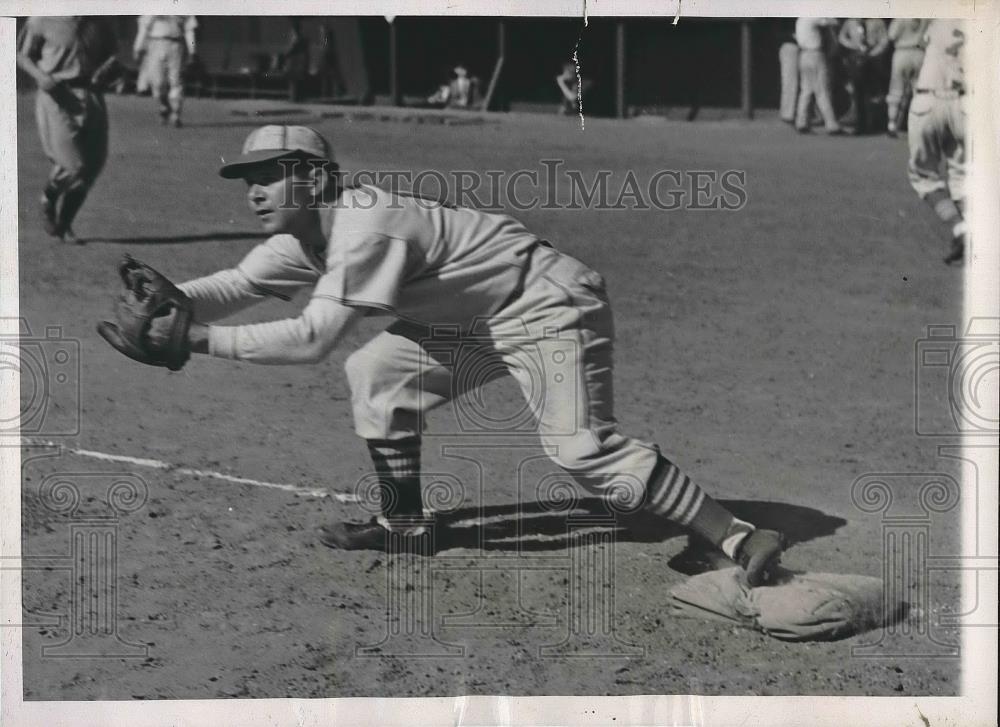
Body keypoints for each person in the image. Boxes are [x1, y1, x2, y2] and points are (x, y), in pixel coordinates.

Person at [142, 124, 787, 586]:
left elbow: (312, 337)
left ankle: (738, 534)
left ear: (314, 177)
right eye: (249, 179)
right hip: (472, 316)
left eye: (269, 176)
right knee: (376, 373)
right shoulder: (301, 234)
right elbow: (237, 285)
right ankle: (406, 526)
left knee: (579, 449)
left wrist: (194, 341)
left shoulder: (366, 222)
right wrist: (174, 299)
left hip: (544, 300)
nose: (255, 191)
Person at [16, 16, 119, 245]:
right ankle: (49, 197)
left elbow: (112, 52)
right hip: (57, 94)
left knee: (92, 166)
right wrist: (41, 76)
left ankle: (64, 225)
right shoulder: (41, 18)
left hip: (92, 94)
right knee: (73, 164)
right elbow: (22, 55)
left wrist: (109, 66)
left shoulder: (97, 20)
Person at [907, 20, 967, 264]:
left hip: (928, 101)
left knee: (923, 175)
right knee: (964, 174)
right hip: (964, 103)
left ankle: (961, 228)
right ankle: (973, 230)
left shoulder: (936, 18)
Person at [133, 15, 198, 128]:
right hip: (155, 43)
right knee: (157, 82)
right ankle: (164, 104)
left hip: (176, 44)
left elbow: (190, 30)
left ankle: (176, 114)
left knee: (176, 80)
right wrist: (137, 48)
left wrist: (192, 51)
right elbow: (143, 28)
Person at [837, 18, 890, 135]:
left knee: (874, 93)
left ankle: (876, 123)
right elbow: (841, 37)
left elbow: (884, 40)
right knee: (858, 93)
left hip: (874, 58)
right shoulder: (850, 22)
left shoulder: (877, 22)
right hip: (856, 58)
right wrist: (854, 46)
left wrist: (873, 53)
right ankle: (861, 124)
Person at [793, 18, 843, 134]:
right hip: (815, 53)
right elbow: (831, 22)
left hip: (804, 54)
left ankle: (801, 122)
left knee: (806, 90)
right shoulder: (813, 16)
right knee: (822, 90)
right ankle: (831, 124)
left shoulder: (800, 19)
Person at [886, 19, 929, 137]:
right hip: (919, 53)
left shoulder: (900, 18)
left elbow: (891, 36)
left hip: (902, 52)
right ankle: (920, 124)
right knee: (919, 90)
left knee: (896, 89)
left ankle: (892, 123)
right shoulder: (925, 17)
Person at [283, 17, 310, 103]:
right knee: (295, 79)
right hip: (297, 60)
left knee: (295, 79)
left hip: (296, 60)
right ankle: (294, 97)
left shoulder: (297, 37)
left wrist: (287, 54)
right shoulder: (297, 36)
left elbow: (294, 47)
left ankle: (294, 97)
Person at [777, 23, 799, 125]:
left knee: (791, 81)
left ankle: (790, 112)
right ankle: (788, 113)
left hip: (792, 46)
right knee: (790, 81)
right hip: (791, 45)